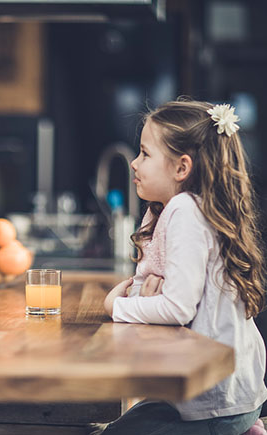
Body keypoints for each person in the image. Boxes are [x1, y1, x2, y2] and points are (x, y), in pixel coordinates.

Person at [101, 97, 267, 435]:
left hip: (216, 402)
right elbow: (150, 286)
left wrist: (116, 306)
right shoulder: (168, 209)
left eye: (145, 154)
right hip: (211, 395)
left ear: (181, 168)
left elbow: (176, 306)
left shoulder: (185, 212)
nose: (134, 163)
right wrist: (140, 297)